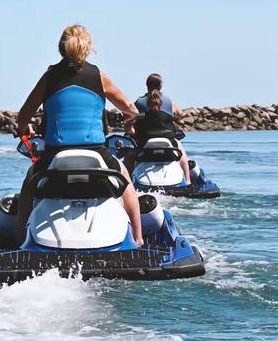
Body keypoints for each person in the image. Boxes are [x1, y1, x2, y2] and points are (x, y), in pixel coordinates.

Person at [16, 24, 144, 245]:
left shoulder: (49, 77)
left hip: (54, 157)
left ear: (61, 48)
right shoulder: (99, 77)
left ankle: (19, 240)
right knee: (125, 178)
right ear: (88, 48)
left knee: (29, 183)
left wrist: (24, 128)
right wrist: (128, 119)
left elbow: (24, 115)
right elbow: (130, 108)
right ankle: (139, 239)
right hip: (96, 153)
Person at [126, 73, 191, 184]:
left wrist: (130, 130)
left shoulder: (139, 102)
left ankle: (127, 185)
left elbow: (130, 126)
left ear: (146, 85)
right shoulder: (168, 101)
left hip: (144, 143)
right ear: (161, 86)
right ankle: (188, 181)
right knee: (182, 153)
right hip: (168, 141)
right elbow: (177, 114)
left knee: (129, 156)